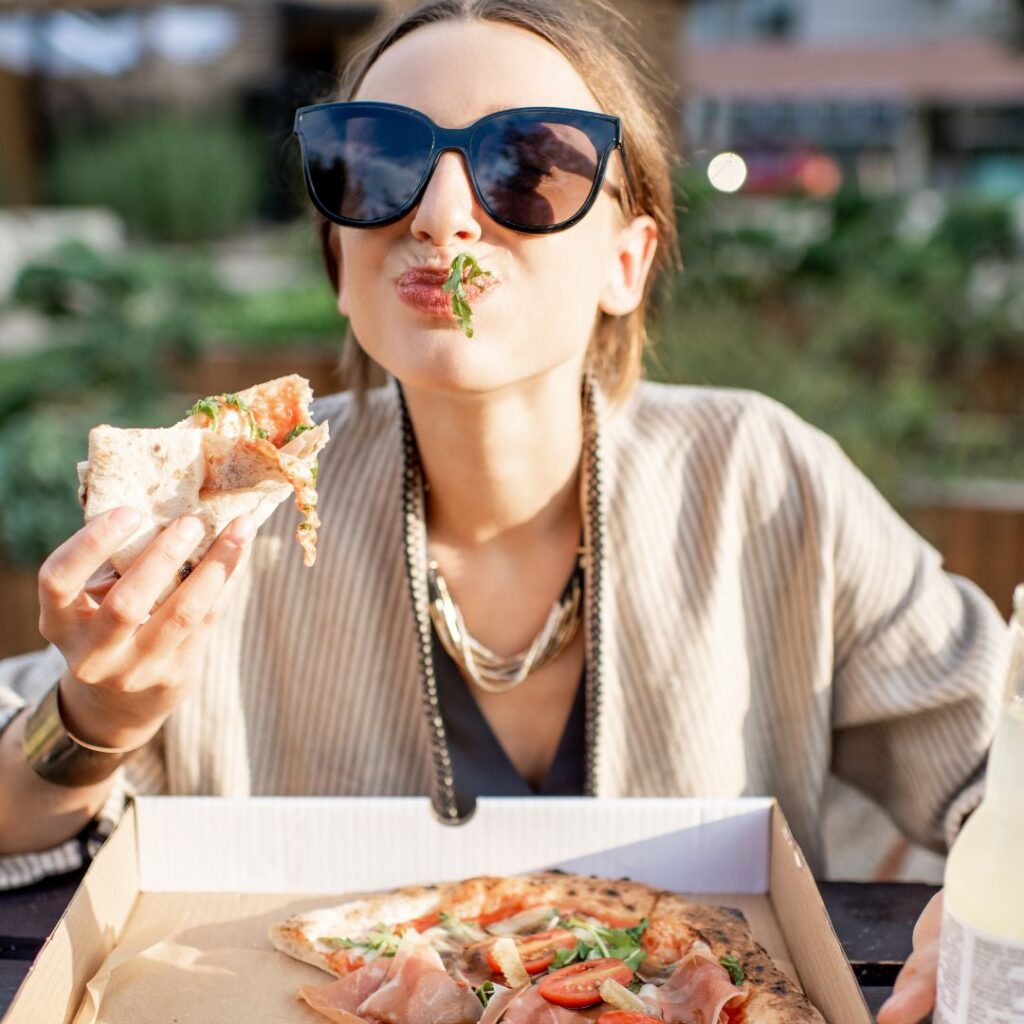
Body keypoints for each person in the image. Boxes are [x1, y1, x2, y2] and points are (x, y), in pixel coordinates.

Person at [0, 2, 1007, 1021]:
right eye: (375, 161)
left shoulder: (762, 482)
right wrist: (97, 720)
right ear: (338, 259)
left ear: (629, 260)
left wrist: (974, 909)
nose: (439, 215)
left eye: (528, 164)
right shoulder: (232, 512)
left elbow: (994, 747)